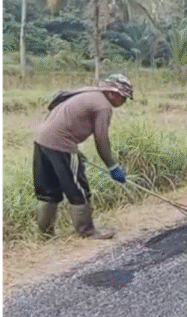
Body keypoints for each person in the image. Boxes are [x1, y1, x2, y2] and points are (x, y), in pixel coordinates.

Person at [33, 74, 133, 239]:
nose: (124, 102)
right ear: (114, 93)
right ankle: (87, 231)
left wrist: (74, 151)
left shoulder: (86, 92)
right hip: (61, 145)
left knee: (48, 192)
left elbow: (56, 110)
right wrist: (112, 166)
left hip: (42, 141)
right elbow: (101, 139)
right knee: (78, 189)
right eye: (124, 98)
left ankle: (44, 235)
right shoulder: (103, 106)